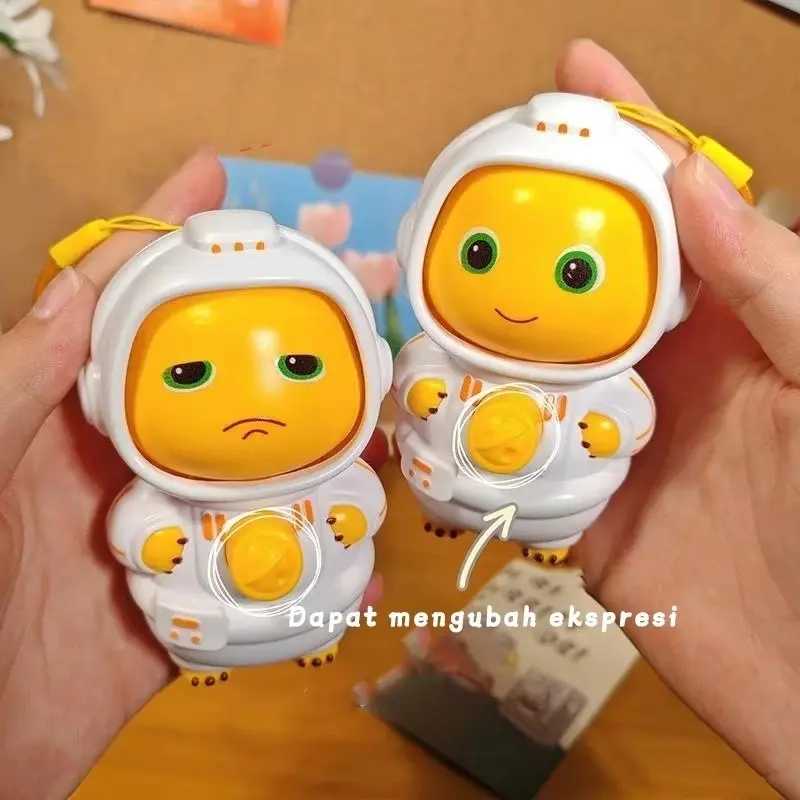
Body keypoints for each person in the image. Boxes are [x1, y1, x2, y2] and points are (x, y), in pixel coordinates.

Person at [0, 38, 797, 799]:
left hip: (555, 497)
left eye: (299, 366)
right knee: (247, 597)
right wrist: (160, 541)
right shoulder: (399, 380)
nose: (254, 404)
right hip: (211, 599)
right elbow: (143, 524)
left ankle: (505, 550)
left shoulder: (605, 383)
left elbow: (623, 421)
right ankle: (212, 647)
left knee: (395, 564)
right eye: (187, 376)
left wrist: (602, 431)